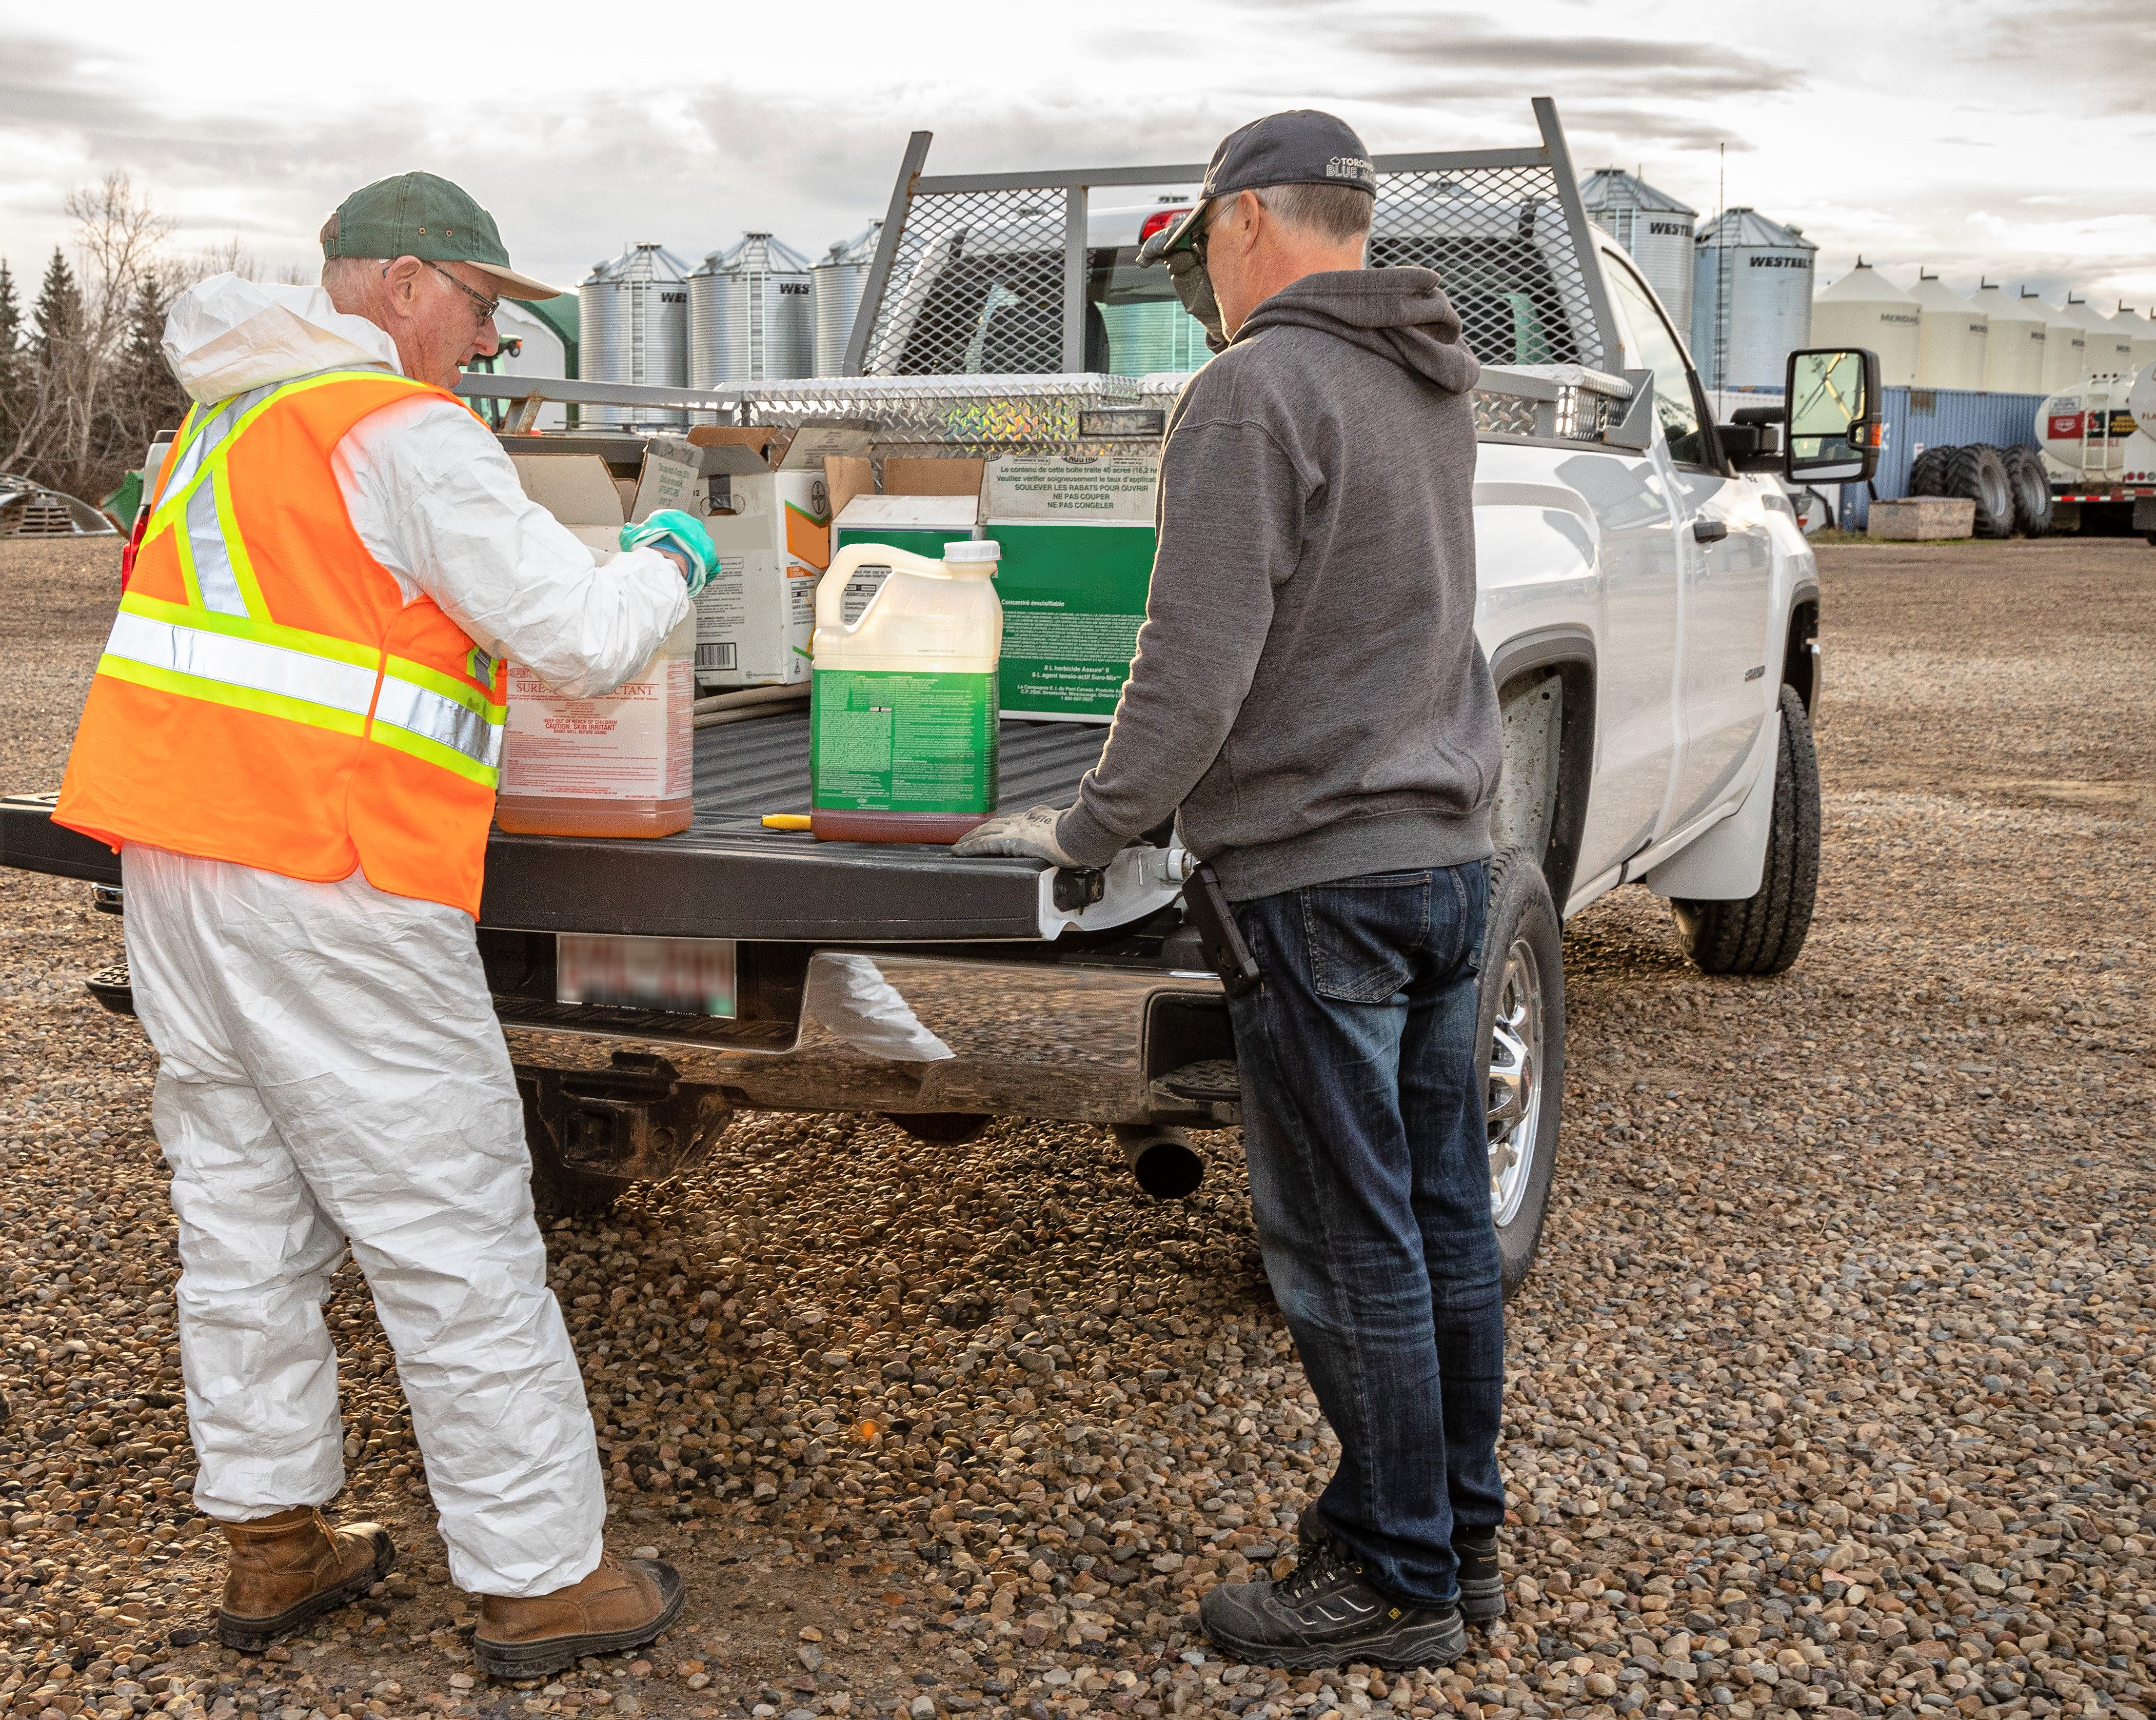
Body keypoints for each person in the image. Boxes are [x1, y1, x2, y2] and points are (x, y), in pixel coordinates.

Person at [54, 172, 718, 1678]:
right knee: (450, 1227)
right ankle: (541, 1576)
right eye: (485, 307)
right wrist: (675, 552)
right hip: (331, 874)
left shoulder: (221, 426)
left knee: (242, 1216)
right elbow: (582, 636)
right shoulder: (399, 433)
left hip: (182, 861)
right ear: (404, 282)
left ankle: (275, 1543)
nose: (490, 343)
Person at [955, 112, 1507, 1669]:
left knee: (1346, 1243)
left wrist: (1085, 832)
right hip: (1447, 856)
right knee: (1441, 1218)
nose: (1200, 272)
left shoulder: (1254, 389)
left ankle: (1397, 1582)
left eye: (1203, 238)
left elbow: (1192, 668)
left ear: (1253, 219)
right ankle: (1454, 1535)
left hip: (1319, 881)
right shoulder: (1429, 378)